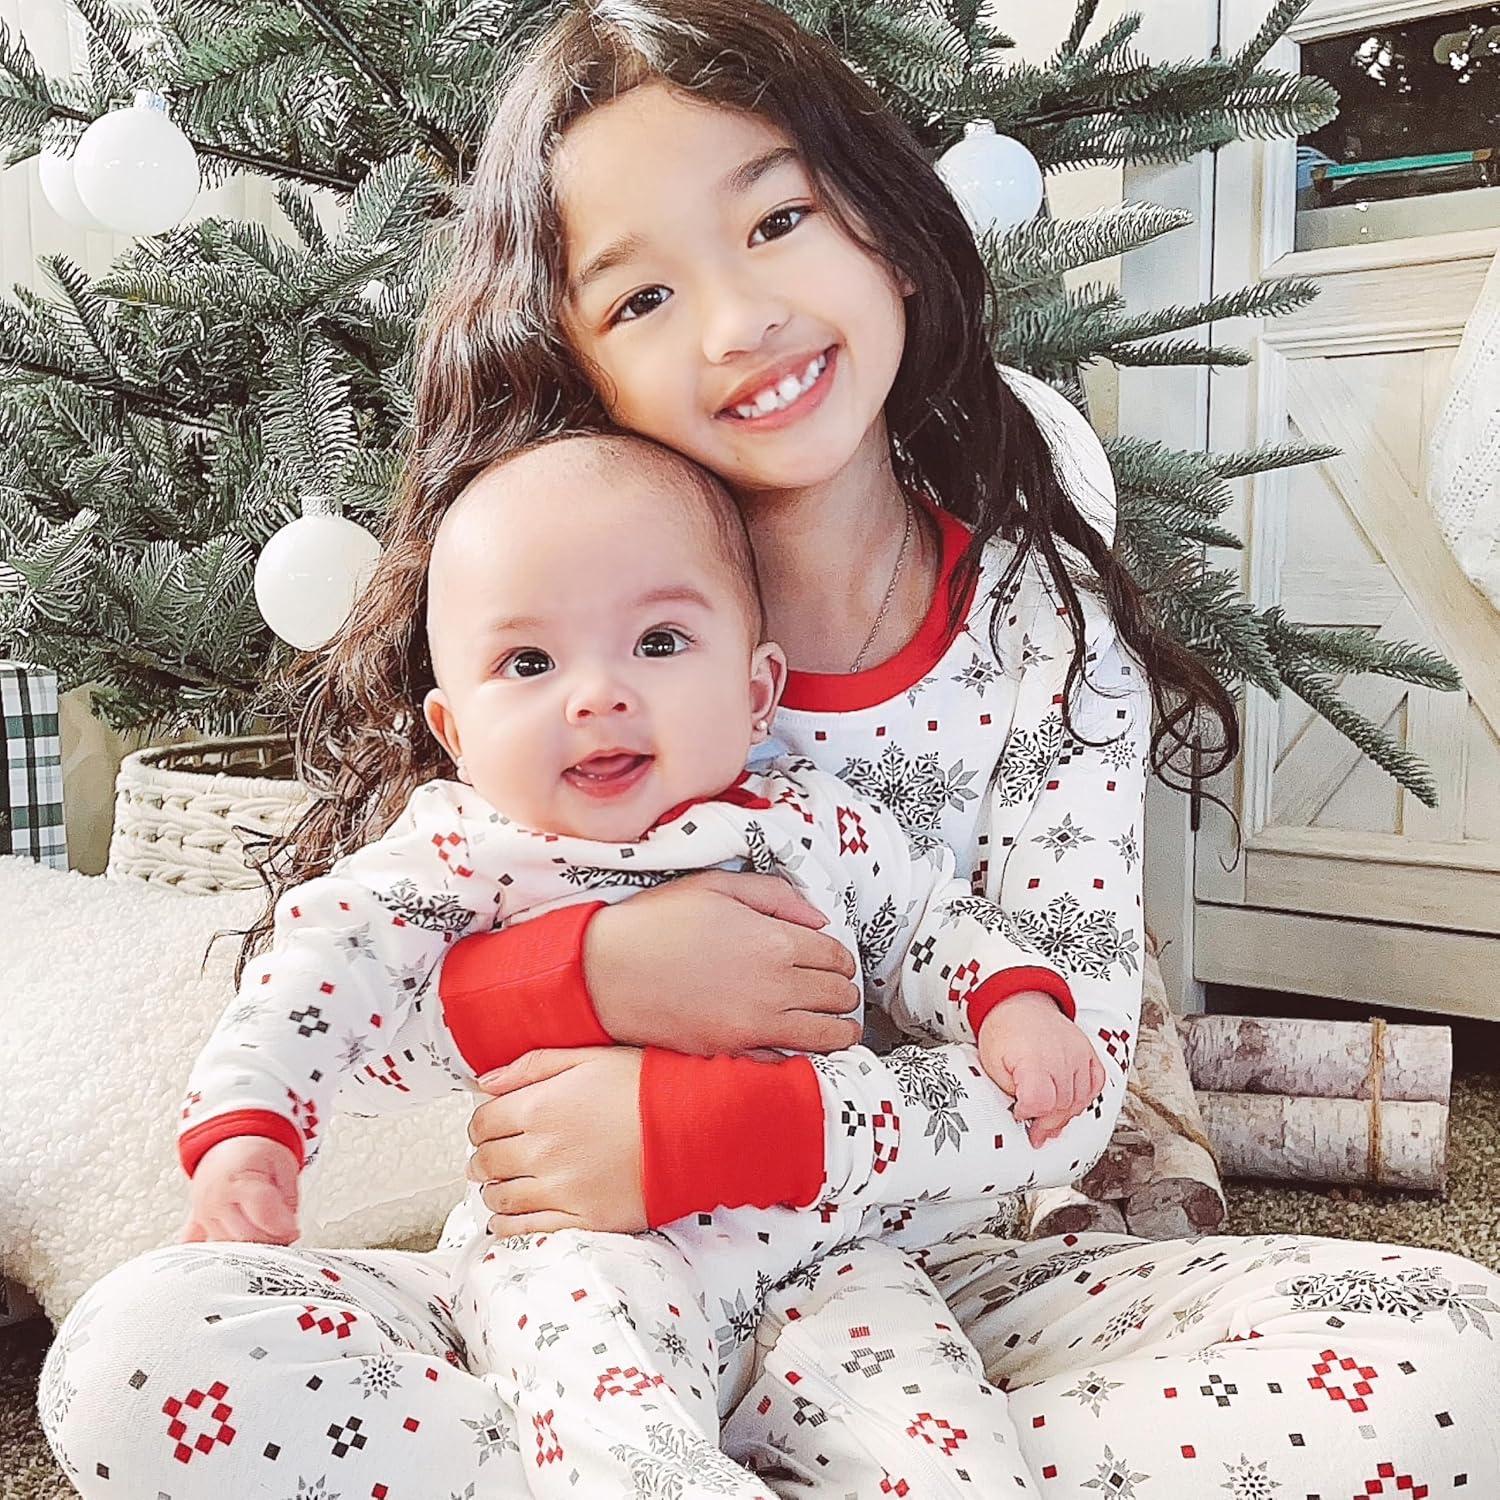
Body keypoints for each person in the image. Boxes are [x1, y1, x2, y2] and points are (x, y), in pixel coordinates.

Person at [40, 1, 1500, 1495]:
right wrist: (592, 979)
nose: (738, 323)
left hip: (913, 1288)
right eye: (640, 297)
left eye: (778, 220)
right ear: (577, 363)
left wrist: (731, 1122)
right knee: (136, 1359)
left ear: (885, 225)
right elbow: (358, 1007)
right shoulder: (551, 619)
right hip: (570, 1284)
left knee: (1455, 1359)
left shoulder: (1042, 635)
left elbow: (1059, 1095)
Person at [178, 430, 1115, 1497]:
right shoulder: (466, 847)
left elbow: (930, 925)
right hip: (581, 1248)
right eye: (529, 664)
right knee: (614, 1431)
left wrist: (1012, 1005)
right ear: (456, 730)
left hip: (833, 1249)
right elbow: (319, 965)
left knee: (947, 1447)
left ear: (758, 691)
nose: (596, 695)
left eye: (659, 641)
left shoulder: (813, 823)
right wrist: (250, 1125)